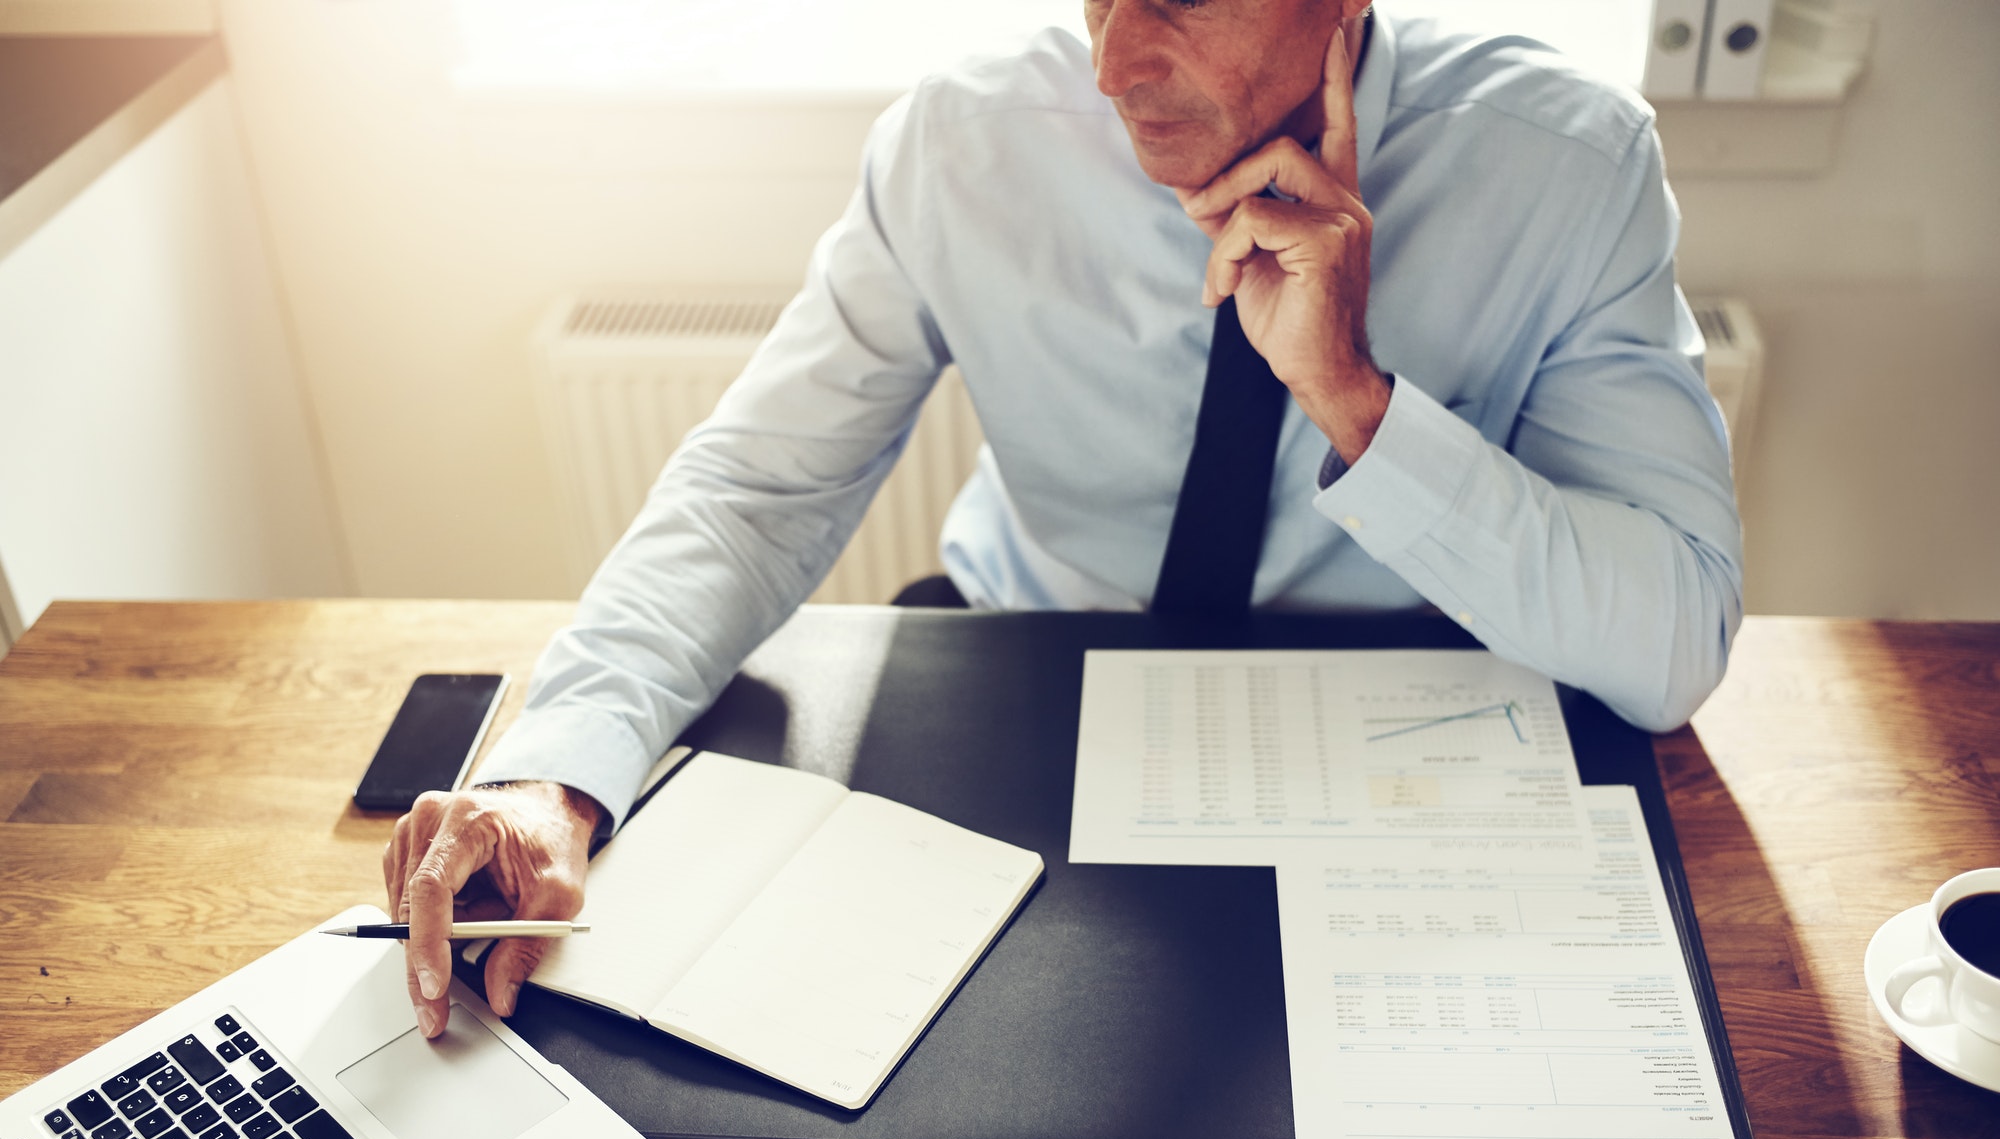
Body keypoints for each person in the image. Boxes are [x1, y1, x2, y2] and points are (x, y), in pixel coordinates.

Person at [384, 0, 1743, 1038]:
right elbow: (755, 492)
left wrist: (1358, 403)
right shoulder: (963, 139)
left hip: (1403, 755)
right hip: (1019, 689)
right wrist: (555, 770)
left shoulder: (1571, 165)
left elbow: (1672, 638)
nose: (1111, 63)